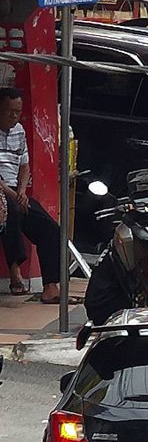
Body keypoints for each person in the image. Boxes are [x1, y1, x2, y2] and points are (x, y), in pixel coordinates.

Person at [0, 87, 62, 303]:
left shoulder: (19, 131)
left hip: (15, 190)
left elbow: (24, 166)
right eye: (9, 111)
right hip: (2, 191)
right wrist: (11, 193)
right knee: (13, 210)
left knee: (50, 228)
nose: (14, 116)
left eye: (17, 111)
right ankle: (15, 270)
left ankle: (50, 286)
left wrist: (22, 191)